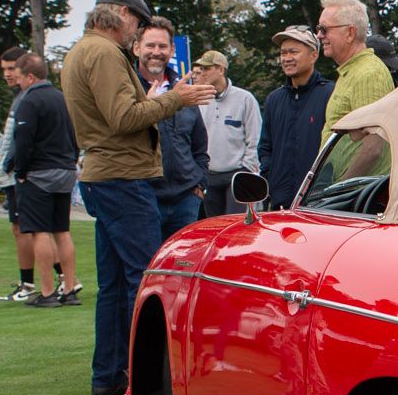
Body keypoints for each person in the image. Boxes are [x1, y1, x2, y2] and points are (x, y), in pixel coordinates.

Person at [62, 0, 214, 395]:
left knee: (112, 285)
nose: (138, 32)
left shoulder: (80, 51)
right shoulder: (105, 53)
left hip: (103, 174)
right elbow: (124, 116)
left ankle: (109, 378)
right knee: (147, 280)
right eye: (139, 23)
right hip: (122, 178)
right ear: (123, 16)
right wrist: (176, 99)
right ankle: (146, 383)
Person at [8, 53, 80, 306]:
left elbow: (23, 140)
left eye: (19, 78)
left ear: (30, 76)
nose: (18, 83)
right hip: (65, 170)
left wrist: (20, 171)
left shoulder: (29, 100)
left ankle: (47, 292)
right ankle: (69, 288)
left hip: (40, 172)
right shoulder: (62, 98)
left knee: (40, 232)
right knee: (62, 230)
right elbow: (74, 134)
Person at [135, 17, 209, 241]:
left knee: (183, 269)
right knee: (145, 268)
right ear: (137, 47)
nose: (156, 52)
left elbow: (200, 145)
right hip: (145, 196)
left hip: (185, 199)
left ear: (172, 49)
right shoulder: (129, 89)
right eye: (150, 45)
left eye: (162, 46)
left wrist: (199, 185)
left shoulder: (185, 90)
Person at [258, 26, 332, 209]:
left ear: (313, 56)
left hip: (320, 202)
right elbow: (266, 147)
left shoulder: (331, 94)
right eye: (283, 53)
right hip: (279, 203)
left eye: (294, 52)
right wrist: (270, 182)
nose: (287, 58)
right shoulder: (274, 99)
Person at [0, 45, 38, 301]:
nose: (7, 74)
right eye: (4, 70)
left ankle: (29, 284)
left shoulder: (26, 98)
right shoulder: (21, 96)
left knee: (27, 229)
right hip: (18, 173)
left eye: (11, 69)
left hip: (19, 175)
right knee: (33, 229)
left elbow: (20, 139)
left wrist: (10, 166)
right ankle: (60, 279)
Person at [318, 0, 395, 147]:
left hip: (358, 173)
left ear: (350, 33)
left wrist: (347, 173)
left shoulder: (369, 74)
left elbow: (373, 147)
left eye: (324, 29)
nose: (318, 35)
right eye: (318, 28)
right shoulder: (352, 71)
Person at [190, 50, 261, 216]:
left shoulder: (245, 99)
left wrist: (246, 170)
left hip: (236, 175)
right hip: (209, 175)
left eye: (207, 68)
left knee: (236, 226)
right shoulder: (199, 99)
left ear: (221, 69)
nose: (203, 72)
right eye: (201, 69)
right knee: (214, 228)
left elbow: (255, 138)